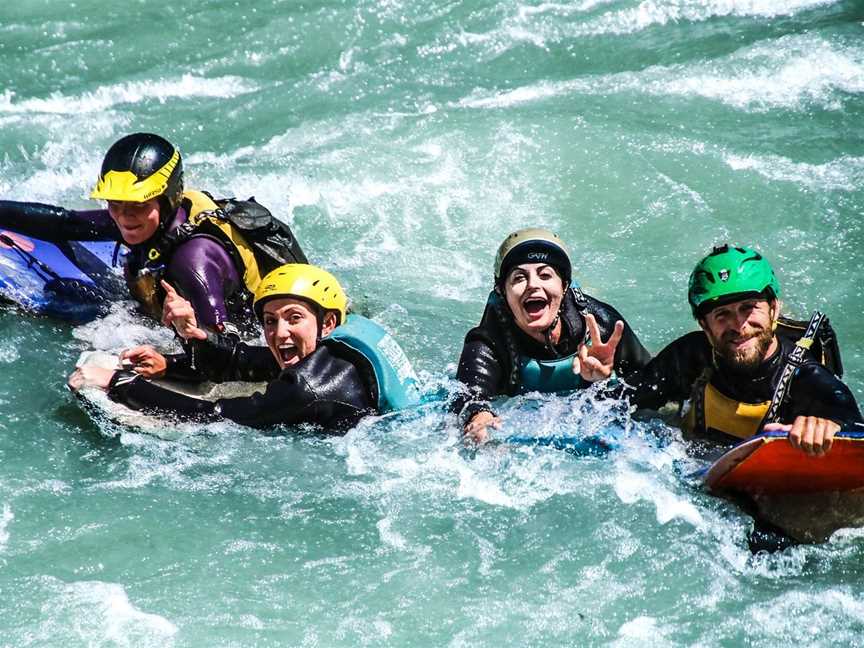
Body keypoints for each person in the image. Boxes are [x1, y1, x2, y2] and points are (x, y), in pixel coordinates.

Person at [0, 132, 307, 335]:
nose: (124, 216)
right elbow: (68, 224)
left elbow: (222, 342)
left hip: (254, 335)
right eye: (114, 204)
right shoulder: (150, 219)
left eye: (136, 205)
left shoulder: (192, 260)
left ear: (168, 197)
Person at [68, 264, 420, 432]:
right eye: (269, 320)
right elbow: (250, 360)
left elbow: (218, 417)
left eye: (293, 318)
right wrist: (181, 354)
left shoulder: (309, 388)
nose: (279, 333)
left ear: (327, 323)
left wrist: (119, 384)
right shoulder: (335, 347)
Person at [625, 244, 862, 453]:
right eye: (722, 314)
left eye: (748, 308)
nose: (739, 325)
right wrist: (597, 378)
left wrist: (833, 428)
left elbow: (854, 428)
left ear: (773, 309)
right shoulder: (689, 357)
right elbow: (617, 407)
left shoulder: (808, 381)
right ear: (704, 326)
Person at [452, 228, 651, 443]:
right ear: (503, 293)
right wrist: (478, 415)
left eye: (545, 275)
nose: (533, 285)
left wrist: (603, 383)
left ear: (564, 286)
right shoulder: (488, 343)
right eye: (519, 278)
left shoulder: (603, 326)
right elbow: (466, 398)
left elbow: (655, 385)